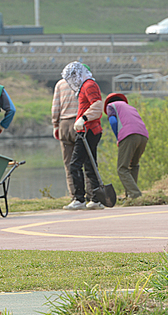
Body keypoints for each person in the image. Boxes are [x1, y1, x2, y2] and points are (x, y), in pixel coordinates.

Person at [61, 61, 105, 210]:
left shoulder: (89, 85)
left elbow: (97, 105)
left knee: (75, 165)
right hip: (87, 130)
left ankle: (79, 199)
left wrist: (84, 118)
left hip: (89, 130)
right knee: (90, 165)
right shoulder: (85, 86)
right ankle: (96, 199)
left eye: (73, 75)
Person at [51, 78, 94, 206]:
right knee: (87, 161)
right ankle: (92, 196)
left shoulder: (60, 84)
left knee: (69, 163)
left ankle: (75, 196)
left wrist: (55, 125)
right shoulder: (84, 82)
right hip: (81, 123)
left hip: (64, 124)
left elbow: (55, 107)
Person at [104, 93, 149, 199]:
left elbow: (113, 121)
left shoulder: (111, 106)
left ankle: (135, 194)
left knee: (122, 168)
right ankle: (130, 195)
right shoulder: (131, 108)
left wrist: (118, 137)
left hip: (128, 135)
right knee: (134, 165)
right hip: (143, 136)